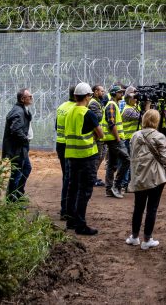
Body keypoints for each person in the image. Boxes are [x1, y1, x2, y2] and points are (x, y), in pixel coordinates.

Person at [125, 109, 166, 250]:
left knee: (138, 207)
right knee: (152, 207)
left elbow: (131, 154)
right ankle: (147, 239)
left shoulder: (135, 135)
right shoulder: (160, 136)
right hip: (156, 176)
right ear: (156, 121)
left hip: (139, 175)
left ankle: (134, 237)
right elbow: (164, 158)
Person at [64, 82, 103, 235]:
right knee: (85, 190)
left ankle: (71, 221)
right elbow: (100, 134)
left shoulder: (69, 112)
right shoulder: (87, 113)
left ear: (75, 96)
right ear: (88, 96)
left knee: (72, 188)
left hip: (72, 155)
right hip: (87, 156)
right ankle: (81, 224)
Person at [2, 88, 33, 202]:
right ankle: (12, 199)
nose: (31, 98)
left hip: (21, 147)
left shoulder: (22, 109)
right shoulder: (18, 111)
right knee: (17, 173)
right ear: (22, 99)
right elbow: (15, 129)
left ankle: (18, 194)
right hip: (17, 148)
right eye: (29, 96)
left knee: (26, 169)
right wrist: (25, 140)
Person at [104, 84, 130, 198]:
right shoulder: (111, 105)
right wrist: (118, 139)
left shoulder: (114, 104)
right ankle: (116, 185)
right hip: (114, 139)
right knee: (126, 160)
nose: (122, 94)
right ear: (114, 94)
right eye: (120, 92)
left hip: (113, 139)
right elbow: (111, 123)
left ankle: (109, 189)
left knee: (112, 164)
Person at [54, 85, 77, 220]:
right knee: (70, 178)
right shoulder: (75, 109)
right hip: (70, 145)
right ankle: (67, 210)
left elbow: (56, 126)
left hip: (60, 143)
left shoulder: (61, 107)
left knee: (66, 177)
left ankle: (65, 208)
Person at [119, 87, 141, 192]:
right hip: (127, 139)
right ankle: (125, 184)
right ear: (129, 99)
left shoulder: (134, 107)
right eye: (134, 98)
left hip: (132, 139)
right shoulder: (128, 110)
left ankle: (129, 183)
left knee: (132, 162)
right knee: (127, 162)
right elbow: (142, 117)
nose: (136, 99)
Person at [89, 84, 107, 187]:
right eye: (101, 91)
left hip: (101, 134)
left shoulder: (98, 102)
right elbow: (98, 118)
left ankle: (93, 177)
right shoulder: (93, 103)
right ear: (95, 92)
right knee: (97, 156)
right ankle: (92, 178)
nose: (103, 93)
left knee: (101, 155)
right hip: (96, 135)